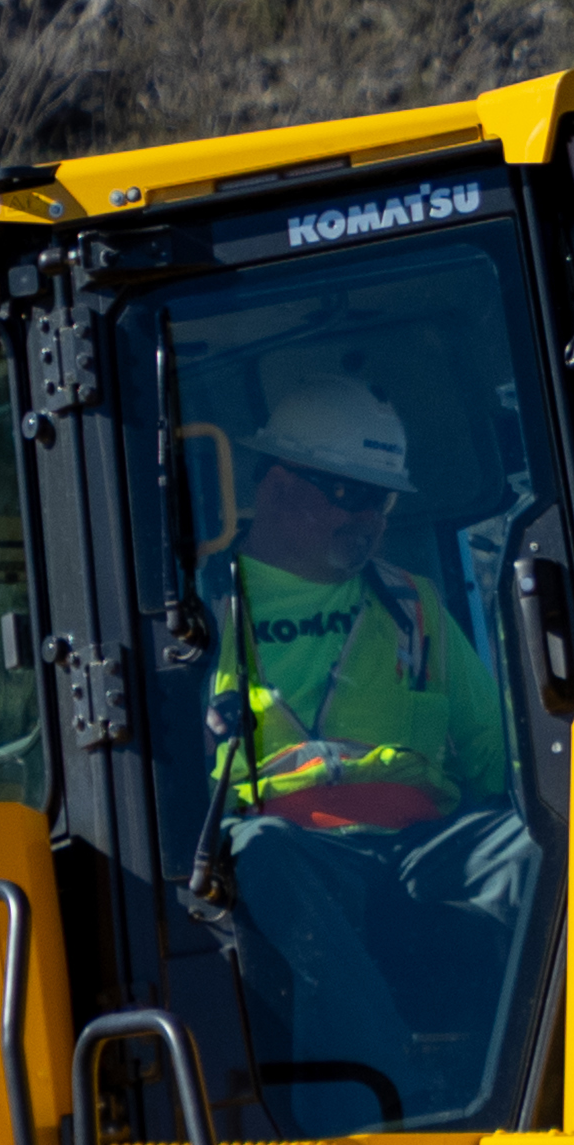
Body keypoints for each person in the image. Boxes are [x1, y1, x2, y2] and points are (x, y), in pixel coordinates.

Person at [207, 359, 527, 1103]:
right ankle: (389, 1099)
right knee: (256, 856)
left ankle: (557, 1079)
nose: (371, 518)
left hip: (423, 849)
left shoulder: (414, 606)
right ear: (280, 485)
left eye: (381, 499)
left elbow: (494, 764)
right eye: (350, 494)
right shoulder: (204, 618)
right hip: (298, 858)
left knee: (549, 840)